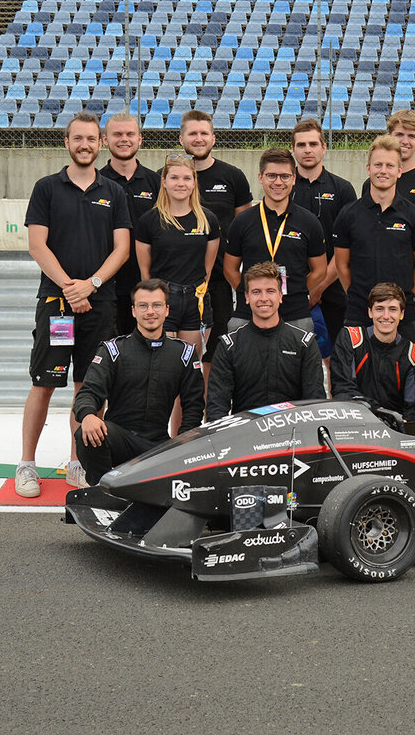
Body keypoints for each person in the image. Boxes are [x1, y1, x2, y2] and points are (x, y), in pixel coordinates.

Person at [17, 110, 132, 497]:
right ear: (67, 143)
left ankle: (77, 463)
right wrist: (70, 288)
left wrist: (93, 284)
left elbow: (122, 249)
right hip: (57, 303)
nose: (85, 145)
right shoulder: (47, 188)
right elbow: (37, 245)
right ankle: (27, 465)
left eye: (91, 139)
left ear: (101, 144)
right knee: (43, 384)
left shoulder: (113, 192)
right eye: (77, 138)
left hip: (100, 305)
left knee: (88, 387)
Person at [71, 280, 205, 486]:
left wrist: (183, 443)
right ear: (133, 311)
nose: (150, 311)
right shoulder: (112, 350)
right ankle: (102, 491)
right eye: (143, 306)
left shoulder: (184, 354)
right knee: (85, 433)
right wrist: (88, 415)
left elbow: (194, 406)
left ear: (167, 310)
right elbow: (88, 392)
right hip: (118, 439)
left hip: (159, 445)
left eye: (157, 305)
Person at [334, 135, 415, 333]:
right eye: (378, 165)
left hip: (400, 315)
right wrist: (360, 297)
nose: (383, 171)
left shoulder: (414, 215)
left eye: (389, 166)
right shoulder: (348, 214)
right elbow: (341, 265)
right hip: (358, 313)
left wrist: (401, 298)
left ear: (399, 171)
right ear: (368, 169)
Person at [221, 147, 328, 331]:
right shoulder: (242, 221)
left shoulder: (309, 222)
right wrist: (252, 293)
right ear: (260, 177)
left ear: (294, 179)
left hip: (295, 314)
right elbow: (230, 269)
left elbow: (320, 270)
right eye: (271, 176)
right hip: (248, 314)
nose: (278, 182)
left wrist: (295, 290)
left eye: (284, 176)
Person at [180, 108, 252, 379]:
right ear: (181, 139)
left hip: (219, 282)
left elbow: (246, 228)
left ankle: (210, 417)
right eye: (192, 134)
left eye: (204, 133)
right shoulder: (169, 177)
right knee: (177, 357)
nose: (198, 139)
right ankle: (181, 421)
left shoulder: (232, 176)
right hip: (177, 281)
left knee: (213, 356)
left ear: (214, 138)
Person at [205, 262, 327, 420]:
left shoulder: (304, 343)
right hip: (245, 436)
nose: (264, 298)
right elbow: (217, 407)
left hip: (293, 435)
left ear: (280, 296)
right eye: (256, 292)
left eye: (270, 291)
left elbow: (315, 404)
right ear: (247, 297)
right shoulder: (229, 346)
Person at [133, 154, 220, 353]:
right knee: (163, 362)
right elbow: (145, 273)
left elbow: (207, 266)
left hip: (195, 299)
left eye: (187, 178)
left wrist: (198, 288)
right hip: (162, 298)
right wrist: (154, 302)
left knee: (191, 364)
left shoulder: (208, 220)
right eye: (174, 178)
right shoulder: (149, 220)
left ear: (194, 183)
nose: (180, 184)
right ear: (163, 182)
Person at [291, 118, 356, 351]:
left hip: (333, 286)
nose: (307, 150)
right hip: (290, 290)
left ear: (324, 147)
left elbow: (347, 246)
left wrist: (319, 287)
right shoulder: (283, 187)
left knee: (337, 356)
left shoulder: (342, 189)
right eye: (301, 145)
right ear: (293, 149)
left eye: (313, 144)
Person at [98, 111, 160, 335]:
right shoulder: (95, 183)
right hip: (106, 287)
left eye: (130, 134)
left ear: (140, 139)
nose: (124, 139)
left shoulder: (157, 183)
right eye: (117, 134)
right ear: (105, 140)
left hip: (148, 286)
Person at [331, 282, 415, 420]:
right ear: (370, 312)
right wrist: (377, 411)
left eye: (393, 309)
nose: (386, 316)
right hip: (354, 419)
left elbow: (411, 408)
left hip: (394, 427)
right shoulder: (351, 338)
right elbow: (343, 390)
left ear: (402, 314)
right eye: (380, 309)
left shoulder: (413, 355)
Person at [365, 108, 415, 242]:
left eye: (411, 136)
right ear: (389, 136)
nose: (405, 141)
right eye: (399, 134)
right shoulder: (372, 182)